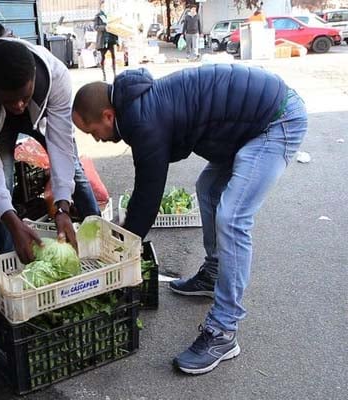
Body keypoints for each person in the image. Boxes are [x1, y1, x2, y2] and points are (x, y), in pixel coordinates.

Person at [71, 64, 307, 374]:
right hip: (250, 124)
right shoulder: (138, 105)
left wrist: (121, 251)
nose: (97, 140)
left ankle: (223, 332)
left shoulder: (143, 120)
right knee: (208, 189)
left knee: (233, 217)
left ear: (108, 116)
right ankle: (214, 272)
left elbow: (147, 197)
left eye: (92, 132)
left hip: (276, 120)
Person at [0, 25, 100, 264]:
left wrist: (63, 207)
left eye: (24, 96)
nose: (19, 106)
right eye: (10, 100)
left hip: (43, 117)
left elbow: (61, 144)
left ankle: (97, 234)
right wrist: (12, 221)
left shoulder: (56, 76)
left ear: (34, 76)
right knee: (0, 185)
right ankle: (6, 259)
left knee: (73, 170)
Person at [94, 0, 119, 81]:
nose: (105, 7)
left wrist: (117, 41)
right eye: (103, 5)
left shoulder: (111, 16)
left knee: (113, 57)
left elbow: (115, 28)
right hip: (103, 40)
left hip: (111, 39)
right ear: (101, 6)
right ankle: (104, 74)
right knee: (103, 58)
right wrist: (104, 28)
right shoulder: (98, 16)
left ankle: (115, 74)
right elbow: (96, 27)